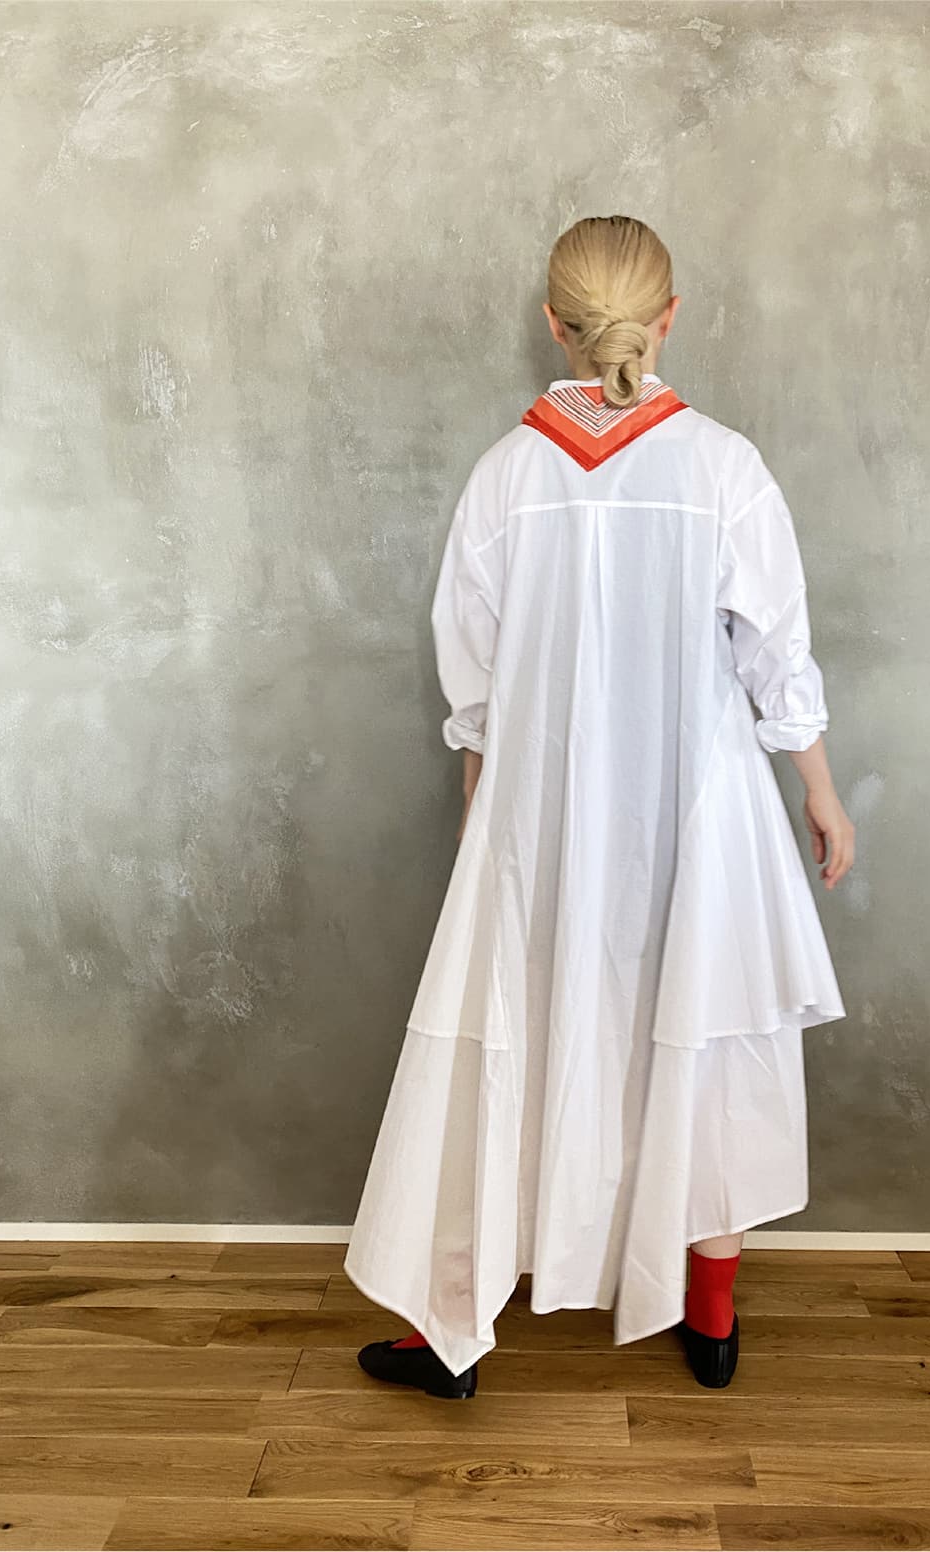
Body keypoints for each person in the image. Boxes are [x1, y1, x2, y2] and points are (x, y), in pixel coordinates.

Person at [344, 214, 854, 1400]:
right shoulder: (723, 465)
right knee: (705, 1024)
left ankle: (453, 1326)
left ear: (552, 324)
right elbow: (774, 654)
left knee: (509, 1031)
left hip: (539, 820)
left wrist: (482, 803)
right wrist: (819, 794)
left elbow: (472, 678)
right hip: (699, 815)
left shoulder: (503, 475)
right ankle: (709, 1312)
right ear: (669, 318)